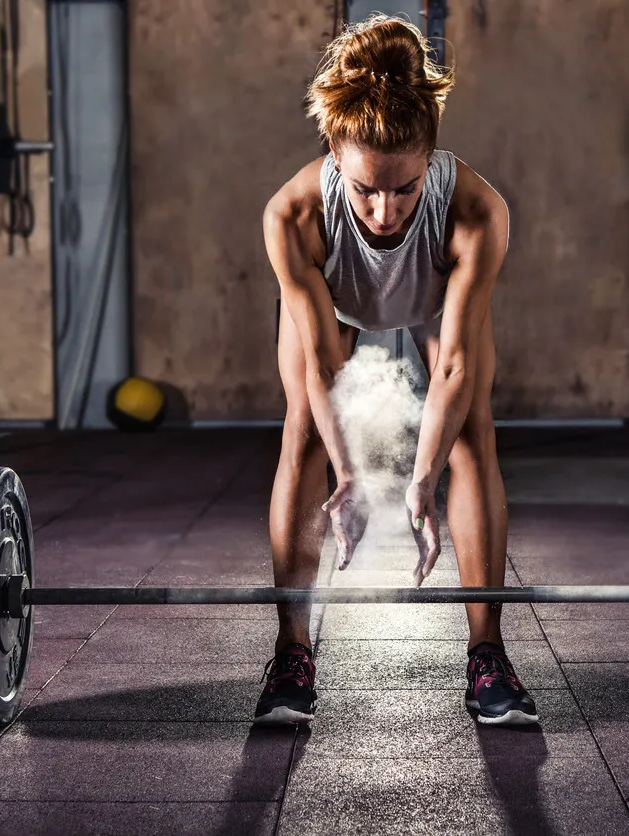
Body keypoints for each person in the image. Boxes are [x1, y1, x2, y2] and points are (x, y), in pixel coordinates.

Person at [256, 14, 538, 727]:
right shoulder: (294, 216)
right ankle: (293, 654)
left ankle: (487, 657)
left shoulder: (475, 211)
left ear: (431, 158)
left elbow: (456, 370)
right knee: (307, 434)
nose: (384, 212)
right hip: (338, 304)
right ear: (334, 153)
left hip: (434, 294)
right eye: (365, 191)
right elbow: (323, 367)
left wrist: (420, 485)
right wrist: (352, 479)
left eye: (405, 189)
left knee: (472, 432)